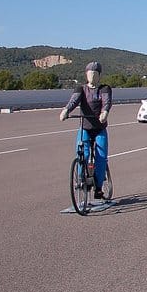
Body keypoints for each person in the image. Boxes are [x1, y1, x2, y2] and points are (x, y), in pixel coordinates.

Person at [60, 61, 112, 200]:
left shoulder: (104, 89)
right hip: (85, 127)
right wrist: (66, 110)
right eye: (90, 73)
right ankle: (81, 180)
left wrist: (104, 112)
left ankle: (99, 187)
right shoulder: (81, 89)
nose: (92, 76)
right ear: (86, 74)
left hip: (99, 128)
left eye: (95, 74)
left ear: (99, 75)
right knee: (82, 151)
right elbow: (74, 101)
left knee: (101, 157)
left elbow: (107, 102)